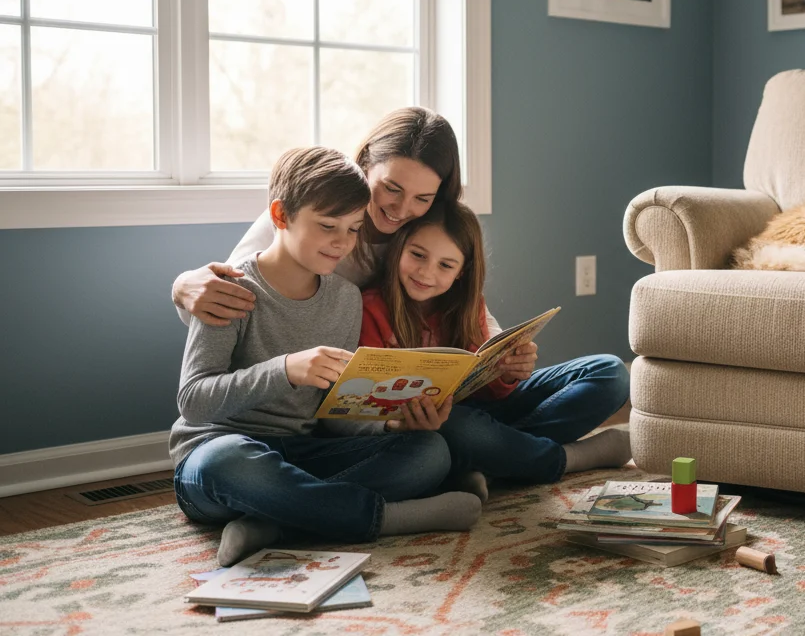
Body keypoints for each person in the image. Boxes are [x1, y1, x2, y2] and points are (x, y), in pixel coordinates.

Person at [169, 107, 630, 496]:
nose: (400, 209)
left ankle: (487, 458)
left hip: (440, 402)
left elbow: (473, 315)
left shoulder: (425, 233)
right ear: (365, 164)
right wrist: (183, 285)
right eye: (390, 188)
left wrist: (504, 356)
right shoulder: (314, 219)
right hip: (341, 412)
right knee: (448, 434)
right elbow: (239, 292)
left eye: (422, 198)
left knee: (608, 374)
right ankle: (519, 458)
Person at [171, 147, 481, 568]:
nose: (342, 243)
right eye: (328, 226)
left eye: (354, 229)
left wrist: (390, 422)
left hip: (301, 451)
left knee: (429, 451)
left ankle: (275, 522)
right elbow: (194, 400)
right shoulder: (231, 289)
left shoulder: (345, 299)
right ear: (281, 216)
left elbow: (334, 419)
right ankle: (383, 517)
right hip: (221, 451)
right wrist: (285, 371)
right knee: (227, 462)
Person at [360, 202, 630, 500]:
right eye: (417, 255)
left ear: (462, 271)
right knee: (456, 425)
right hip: (440, 426)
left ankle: (491, 461)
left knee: (611, 372)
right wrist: (402, 422)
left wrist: (507, 373)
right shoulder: (371, 307)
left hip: (485, 416)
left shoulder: (466, 304)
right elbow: (371, 403)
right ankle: (564, 459)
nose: (426, 272)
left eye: (446, 265)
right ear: (399, 248)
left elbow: (493, 394)